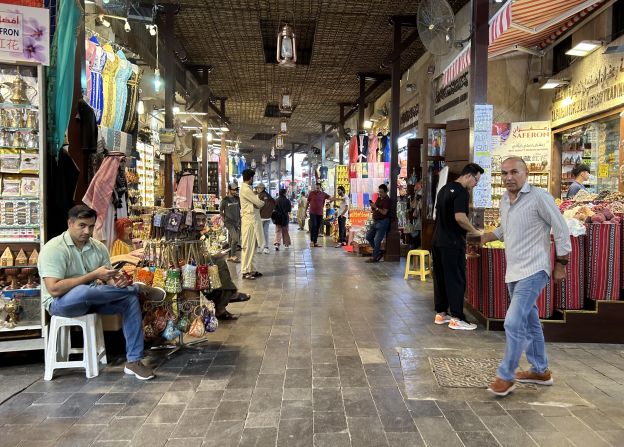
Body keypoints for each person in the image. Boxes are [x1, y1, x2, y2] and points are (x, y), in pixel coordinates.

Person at [38, 205, 164, 380]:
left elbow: (109, 281)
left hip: (92, 299)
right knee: (84, 290)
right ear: (70, 223)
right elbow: (54, 289)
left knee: (129, 301)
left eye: (91, 226)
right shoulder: (54, 248)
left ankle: (134, 361)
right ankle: (137, 289)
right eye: (82, 225)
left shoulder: (98, 248)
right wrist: (93, 275)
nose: (87, 231)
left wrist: (117, 282)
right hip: (60, 304)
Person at [481, 157, 571, 397]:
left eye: (514, 172)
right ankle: (540, 370)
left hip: (534, 270)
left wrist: (561, 263)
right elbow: (505, 229)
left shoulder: (539, 197)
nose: (509, 177)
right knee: (530, 322)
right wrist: (486, 236)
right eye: (504, 173)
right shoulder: (504, 200)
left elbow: (560, 228)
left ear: (526, 173)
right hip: (514, 272)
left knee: (512, 322)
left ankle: (506, 376)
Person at [432, 163, 484, 331]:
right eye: (476, 180)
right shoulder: (462, 192)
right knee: (455, 278)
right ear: (469, 175)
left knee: (440, 278)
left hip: (438, 241)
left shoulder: (444, 189)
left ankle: (441, 313)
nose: (475, 184)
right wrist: (475, 231)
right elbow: (460, 218)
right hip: (453, 242)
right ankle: (456, 317)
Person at [240, 169, 265, 280]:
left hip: (252, 220)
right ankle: (245, 271)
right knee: (247, 246)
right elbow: (259, 203)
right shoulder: (246, 189)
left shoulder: (248, 189)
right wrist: (260, 202)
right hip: (249, 220)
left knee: (253, 246)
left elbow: (256, 203)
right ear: (250, 178)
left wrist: (257, 202)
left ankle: (252, 269)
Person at [366, 184, 392, 263]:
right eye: (379, 192)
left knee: (377, 240)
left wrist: (376, 208)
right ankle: (379, 252)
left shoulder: (387, 200)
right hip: (376, 221)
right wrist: (372, 206)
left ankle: (375, 257)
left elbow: (384, 212)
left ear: (386, 192)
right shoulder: (379, 198)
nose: (380, 193)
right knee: (368, 236)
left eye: (381, 192)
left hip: (383, 222)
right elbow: (375, 208)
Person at [305, 183, 337, 247]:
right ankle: (312, 241)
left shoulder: (323, 194)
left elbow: (331, 199)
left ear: (320, 188)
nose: (317, 189)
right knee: (314, 226)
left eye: (318, 188)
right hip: (312, 212)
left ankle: (315, 242)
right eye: (316, 188)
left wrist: (335, 196)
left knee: (317, 227)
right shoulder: (311, 193)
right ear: (315, 187)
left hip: (320, 213)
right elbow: (307, 203)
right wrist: (305, 211)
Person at [220, 182, 241, 262]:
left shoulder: (237, 198)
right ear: (229, 190)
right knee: (235, 239)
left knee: (232, 240)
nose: (235, 191)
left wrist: (240, 220)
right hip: (228, 222)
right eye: (233, 189)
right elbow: (221, 211)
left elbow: (241, 208)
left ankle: (229, 256)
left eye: (236, 189)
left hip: (237, 222)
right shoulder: (225, 200)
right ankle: (233, 255)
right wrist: (223, 219)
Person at [256, 183, 275, 254]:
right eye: (258, 188)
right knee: (265, 232)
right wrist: (270, 212)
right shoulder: (268, 195)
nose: (258, 189)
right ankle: (266, 247)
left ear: (262, 188)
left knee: (259, 232)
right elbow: (273, 204)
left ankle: (259, 247)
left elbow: (259, 206)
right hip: (267, 217)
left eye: (259, 188)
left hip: (261, 216)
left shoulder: (260, 195)